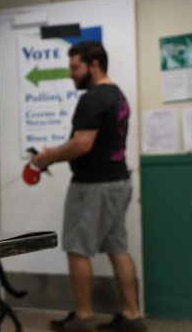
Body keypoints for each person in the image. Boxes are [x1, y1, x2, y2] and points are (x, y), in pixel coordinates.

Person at [30, 42, 146, 332]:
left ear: (94, 65)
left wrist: (46, 157)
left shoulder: (93, 98)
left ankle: (83, 318)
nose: (71, 74)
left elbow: (82, 144)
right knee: (117, 247)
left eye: (75, 67)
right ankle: (132, 317)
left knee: (78, 250)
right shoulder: (118, 95)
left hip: (93, 186)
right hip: (119, 181)